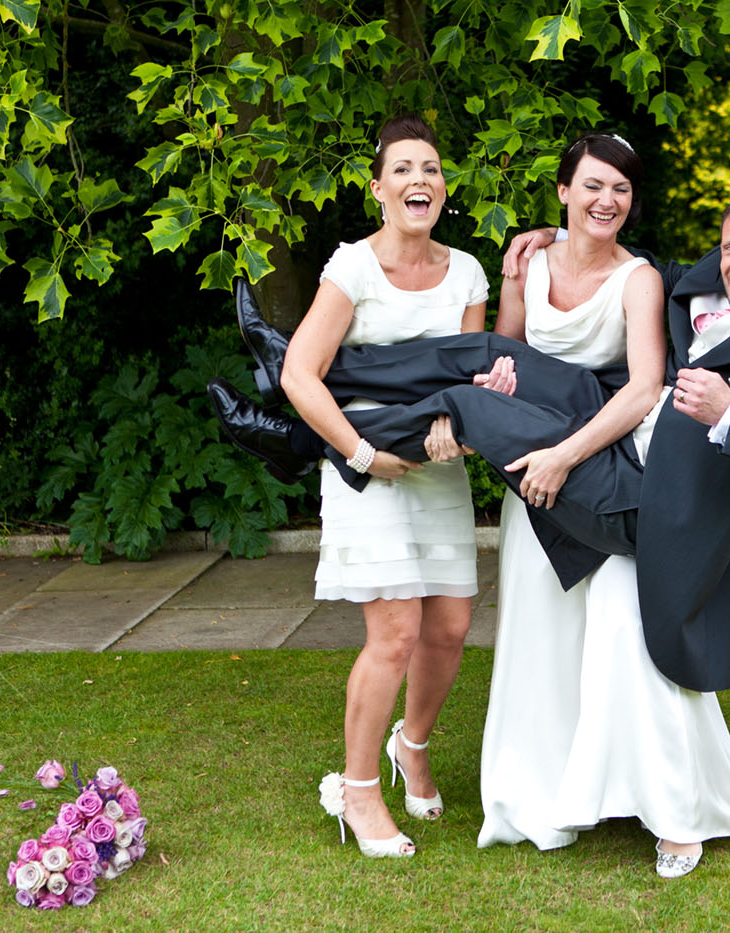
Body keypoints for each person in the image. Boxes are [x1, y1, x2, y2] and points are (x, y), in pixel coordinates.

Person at [210, 180, 730, 709]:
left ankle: (300, 437)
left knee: (472, 404)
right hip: (611, 426)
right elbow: (612, 246)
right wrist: (556, 232)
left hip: (651, 499)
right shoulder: (703, 281)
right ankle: (297, 360)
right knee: (496, 350)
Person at [451, 134, 730, 878]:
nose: (608, 201)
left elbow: (642, 388)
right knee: (541, 631)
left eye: (622, 190)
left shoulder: (639, 280)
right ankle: (546, 793)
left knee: (619, 623)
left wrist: (566, 457)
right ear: (563, 190)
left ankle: (665, 799)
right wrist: (495, 398)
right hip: (535, 467)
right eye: (593, 186)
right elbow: (504, 358)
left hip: (605, 464)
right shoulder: (525, 265)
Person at [270, 114, 488, 858]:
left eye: (429, 167)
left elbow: (466, 379)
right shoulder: (351, 269)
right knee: (393, 633)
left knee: (450, 625)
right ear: (378, 188)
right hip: (363, 467)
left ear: (444, 187)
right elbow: (299, 372)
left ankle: (412, 743)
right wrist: (362, 453)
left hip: (436, 465)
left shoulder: (466, 274)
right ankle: (358, 789)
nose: (418, 179)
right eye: (402, 168)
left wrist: (455, 424)